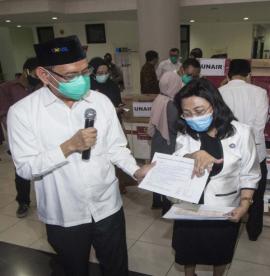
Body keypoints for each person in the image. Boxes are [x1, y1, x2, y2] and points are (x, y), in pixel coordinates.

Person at [7, 35, 152, 276]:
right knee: (73, 270)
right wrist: (67, 147)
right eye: (72, 76)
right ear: (44, 75)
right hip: (64, 214)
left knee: (116, 268)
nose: (82, 81)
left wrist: (135, 170)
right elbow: (24, 167)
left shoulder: (100, 101)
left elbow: (116, 147)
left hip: (107, 206)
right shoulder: (23, 113)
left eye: (85, 72)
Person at [170, 78, 260, 276]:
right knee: (187, 253)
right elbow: (176, 159)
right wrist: (191, 156)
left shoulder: (241, 133)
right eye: (187, 113)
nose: (193, 117)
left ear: (215, 105)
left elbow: (250, 174)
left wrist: (244, 205)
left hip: (223, 209)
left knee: (219, 253)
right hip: (189, 208)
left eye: (199, 111)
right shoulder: (186, 132)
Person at [219, 59, 269, 241]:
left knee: (227, 193)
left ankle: (226, 229)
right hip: (255, 153)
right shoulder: (260, 92)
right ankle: (253, 232)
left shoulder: (219, 92)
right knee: (256, 193)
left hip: (227, 153)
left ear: (228, 74)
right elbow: (259, 126)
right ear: (249, 75)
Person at [0, 57, 41, 218]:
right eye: (37, 74)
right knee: (21, 170)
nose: (39, 78)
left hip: (39, 134)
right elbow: (3, 113)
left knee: (43, 166)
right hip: (19, 136)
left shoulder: (39, 86)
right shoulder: (7, 88)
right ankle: (23, 201)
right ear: (27, 72)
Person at [148, 71, 183, 212]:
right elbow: (173, 127)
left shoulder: (159, 98)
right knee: (168, 175)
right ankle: (166, 208)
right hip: (168, 143)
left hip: (157, 140)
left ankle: (156, 201)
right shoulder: (171, 104)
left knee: (156, 172)